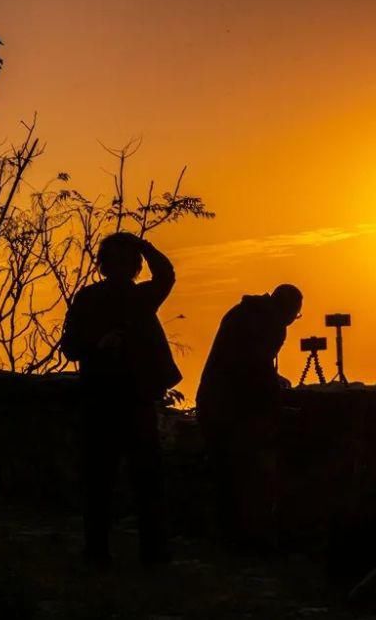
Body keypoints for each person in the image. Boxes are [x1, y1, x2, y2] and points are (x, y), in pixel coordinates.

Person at [60, 232, 181, 567]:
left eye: (127, 260)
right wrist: (99, 344)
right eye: (117, 260)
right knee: (105, 481)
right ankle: (101, 552)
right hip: (103, 401)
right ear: (105, 265)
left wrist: (143, 245)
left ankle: (150, 553)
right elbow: (70, 346)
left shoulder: (139, 297)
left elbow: (166, 276)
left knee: (144, 480)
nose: (121, 266)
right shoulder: (91, 300)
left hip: (135, 400)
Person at [196, 284, 303, 553]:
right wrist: (275, 396)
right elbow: (254, 369)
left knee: (225, 475)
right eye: (293, 317)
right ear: (288, 311)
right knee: (243, 474)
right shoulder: (269, 324)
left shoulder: (243, 313)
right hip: (231, 409)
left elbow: (251, 364)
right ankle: (243, 540)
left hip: (214, 402)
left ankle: (226, 538)